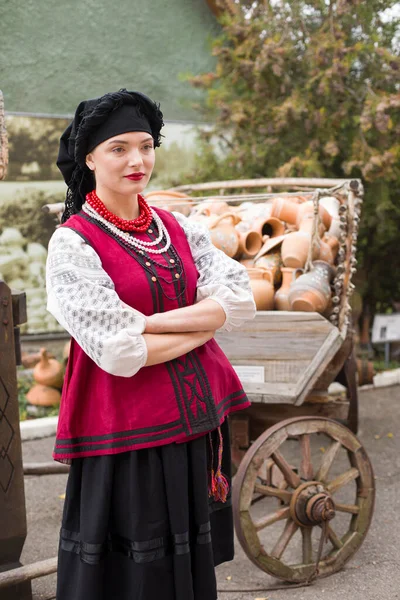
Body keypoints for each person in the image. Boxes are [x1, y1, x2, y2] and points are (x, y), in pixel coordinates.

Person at [46, 88, 256, 600]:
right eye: (118, 148)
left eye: (145, 145)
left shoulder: (178, 226)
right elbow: (118, 352)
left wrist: (150, 324)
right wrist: (203, 325)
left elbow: (240, 298)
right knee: (134, 578)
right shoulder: (73, 243)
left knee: (187, 572)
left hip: (192, 426)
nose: (136, 160)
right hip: (126, 434)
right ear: (88, 157)